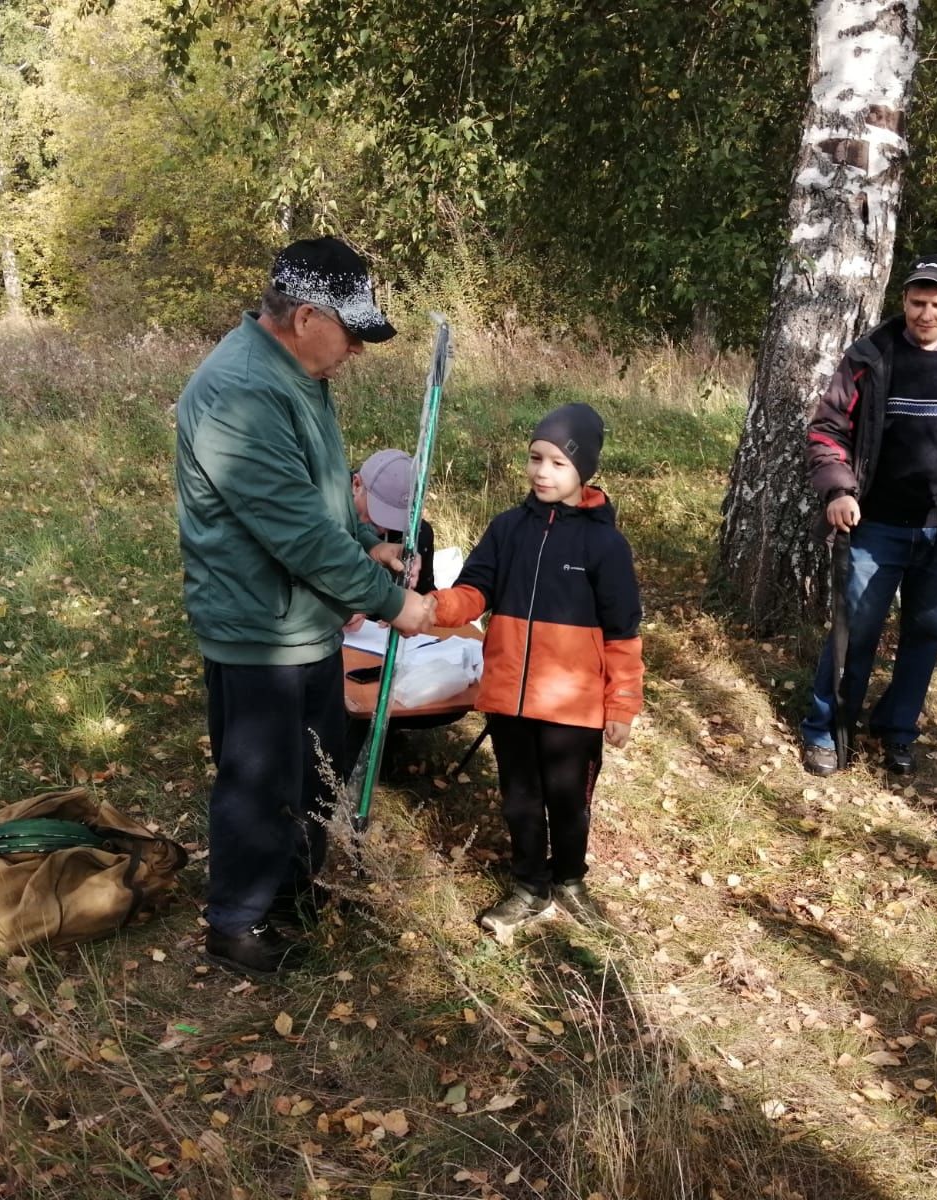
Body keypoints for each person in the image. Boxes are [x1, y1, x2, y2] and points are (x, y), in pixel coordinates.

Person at [175, 236, 436, 978]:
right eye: (350, 332)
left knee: (314, 772)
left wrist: (367, 542)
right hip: (260, 628)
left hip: (306, 621)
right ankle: (237, 922)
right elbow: (290, 531)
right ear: (306, 316)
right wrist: (393, 604)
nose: (355, 348)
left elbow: (316, 494)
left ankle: (294, 890)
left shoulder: (296, 374)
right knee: (259, 781)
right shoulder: (242, 393)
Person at [429, 403, 643, 940]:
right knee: (520, 799)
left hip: (572, 706)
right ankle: (530, 886)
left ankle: (570, 878)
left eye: (557, 462)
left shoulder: (605, 546)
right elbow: (475, 589)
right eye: (535, 458)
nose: (541, 472)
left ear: (583, 470)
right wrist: (436, 608)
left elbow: (622, 634)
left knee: (568, 799)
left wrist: (621, 705)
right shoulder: (508, 529)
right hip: (508, 698)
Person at [801, 253, 937, 777]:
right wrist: (839, 490)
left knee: (925, 635)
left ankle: (897, 729)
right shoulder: (869, 358)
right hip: (873, 527)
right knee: (855, 631)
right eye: (917, 302)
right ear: (904, 302)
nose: (926, 314)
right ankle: (826, 730)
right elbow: (828, 430)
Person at [353, 448, 436, 594]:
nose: (383, 528)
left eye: (394, 518)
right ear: (356, 485)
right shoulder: (324, 512)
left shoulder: (418, 537)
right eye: (378, 512)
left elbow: (425, 592)